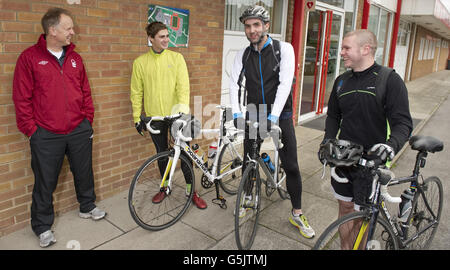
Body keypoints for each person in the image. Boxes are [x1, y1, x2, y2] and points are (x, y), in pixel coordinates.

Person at [12, 7, 106, 248]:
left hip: (78, 129)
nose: (72, 32)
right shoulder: (29, 58)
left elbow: (85, 92)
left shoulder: (75, 58)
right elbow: (21, 98)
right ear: (52, 31)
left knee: (84, 171)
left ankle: (87, 206)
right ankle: (42, 226)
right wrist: (31, 130)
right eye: (68, 28)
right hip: (46, 134)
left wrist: (88, 120)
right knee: (45, 181)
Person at [320, 29, 413, 249]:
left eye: (346, 48)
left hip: (371, 163)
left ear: (365, 49)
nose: (341, 52)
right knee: (344, 210)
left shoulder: (389, 79)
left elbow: (403, 124)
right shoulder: (342, 81)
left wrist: (390, 146)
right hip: (343, 160)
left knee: (362, 216)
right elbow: (333, 115)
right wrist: (327, 141)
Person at [229, 5, 315, 239]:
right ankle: (248, 197)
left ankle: (296, 213)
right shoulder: (243, 54)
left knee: (292, 166)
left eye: (256, 25)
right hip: (254, 112)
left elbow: (285, 84)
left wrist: (274, 117)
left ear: (266, 26)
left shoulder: (282, 49)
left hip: (281, 114)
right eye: (248, 26)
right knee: (249, 160)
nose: (252, 30)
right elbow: (234, 85)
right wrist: (237, 114)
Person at [130, 21, 207, 209]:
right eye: (162, 37)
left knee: (185, 156)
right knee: (162, 155)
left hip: (176, 116)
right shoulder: (140, 63)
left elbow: (183, 86)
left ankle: (192, 190)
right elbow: (136, 91)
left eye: (167, 36)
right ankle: (165, 188)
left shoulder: (176, 58)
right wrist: (136, 117)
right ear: (151, 39)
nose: (166, 40)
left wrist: (182, 113)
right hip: (155, 118)